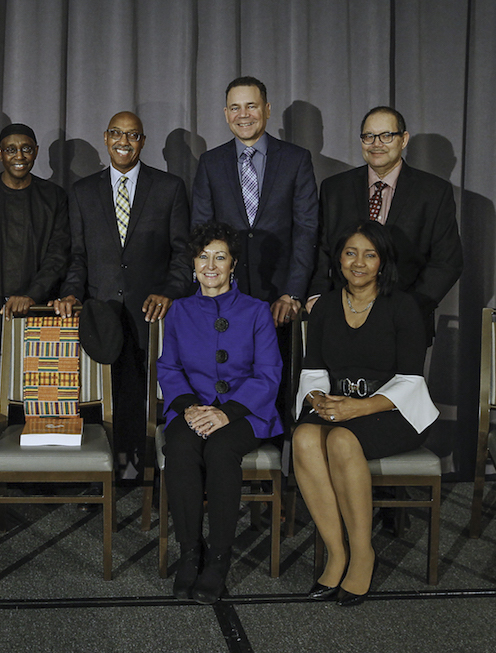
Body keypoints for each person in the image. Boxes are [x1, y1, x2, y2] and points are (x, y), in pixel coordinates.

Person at [293, 222, 439, 607]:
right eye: (350, 253)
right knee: (305, 437)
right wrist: (317, 399)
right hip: (337, 403)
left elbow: (410, 380)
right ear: (338, 258)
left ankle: (362, 553)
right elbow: (312, 369)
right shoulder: (324, 305)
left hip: (392, 410)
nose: (359, 262)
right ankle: (335, 551)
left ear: (383, 261)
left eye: (370, 254)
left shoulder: (405, 306)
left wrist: (358, 407)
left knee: (342, 439)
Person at [54, 111, 190, 476]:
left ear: (142, 141)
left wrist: (169, 292)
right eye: (117, 133)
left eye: (132, 136)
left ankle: (144, 470)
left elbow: (182, 254)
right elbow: (78, 257)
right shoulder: (83, 192)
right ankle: (105, 472)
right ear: (105, 136)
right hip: (102, 315)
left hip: (152, 313)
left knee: (145, 396)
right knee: (104, 396)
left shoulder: (169, 188)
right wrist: (70, 293)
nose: (124, 142)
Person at [158, 221, 283, 603]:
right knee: (179, 445)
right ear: (193, 264)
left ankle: (218, 559)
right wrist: (190, 409)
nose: (210, 265)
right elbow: (169, 369)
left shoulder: (258, 311)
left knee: (220, 450)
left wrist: (227, 413)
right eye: (203, 257)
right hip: (192, 409)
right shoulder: (178, 311)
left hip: (246, 414)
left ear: (233, 264)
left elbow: (268, 374)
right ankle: (190, 553)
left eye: (220, 257)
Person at [0, 123, 70, 487]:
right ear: (0, 153)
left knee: (36, 388)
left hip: (36, 314)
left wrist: (33, 294)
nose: (18, 156)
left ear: (35, 151)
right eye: (10, 149)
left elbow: (58, 255)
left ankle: (35, 473)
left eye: (25, 149)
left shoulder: (53, 196)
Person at [308, 106, 463, 345]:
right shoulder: (335, 189)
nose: (376, 143)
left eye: (386, 136)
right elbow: (322, 250)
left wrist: (406, 309)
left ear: (403, 140)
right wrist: (318, 297)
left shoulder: (433, 192)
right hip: (340, 319)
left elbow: (447, 262)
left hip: (405, 324)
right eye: (368, 136)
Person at [191, 76, 318, 327]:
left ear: (267, 109)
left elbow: (306, 230)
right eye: (235, 108)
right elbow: (201, 231)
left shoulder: (296, 160)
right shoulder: (210, 163)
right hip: (224, 297)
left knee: (274, 366)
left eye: (251, 106)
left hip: (279, 301)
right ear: (226, 114)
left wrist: (292, 293)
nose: (243, 115)